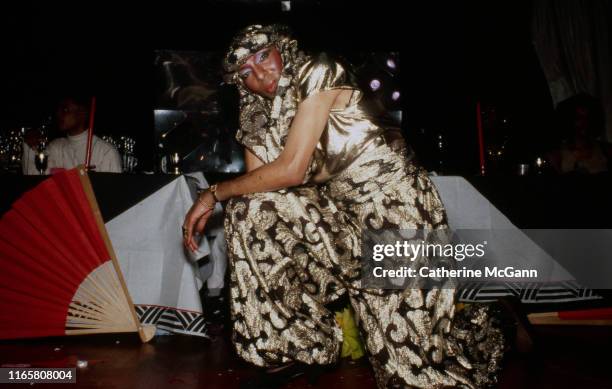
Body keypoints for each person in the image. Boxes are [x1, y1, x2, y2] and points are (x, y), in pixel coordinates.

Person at [183, 25, 505, 388]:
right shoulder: (259, 112)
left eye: (262, 56)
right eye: (245, 73)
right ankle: (296, 348)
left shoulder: (318, 70)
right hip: (339, 221)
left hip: (395, 211)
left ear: (282, 49)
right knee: (249, 209)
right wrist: (253, 131)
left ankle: (488, 323)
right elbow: (259, 187)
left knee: (411, 374)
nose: (260, 74)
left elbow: (292, 169)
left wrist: (211, 193)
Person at [22, 95, 122, 175]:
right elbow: (35, 179)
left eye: (65, 110)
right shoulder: (56, 147)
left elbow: (113, 194)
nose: (58, 114)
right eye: (58, 110)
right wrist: (30, 146)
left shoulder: (106, 152)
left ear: (83, 113)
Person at [547, 94, 611, 174]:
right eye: (579, 118)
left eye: (588, 117)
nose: (584, 122)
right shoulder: (557, 155)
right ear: (569, 120)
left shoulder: (606, 151)